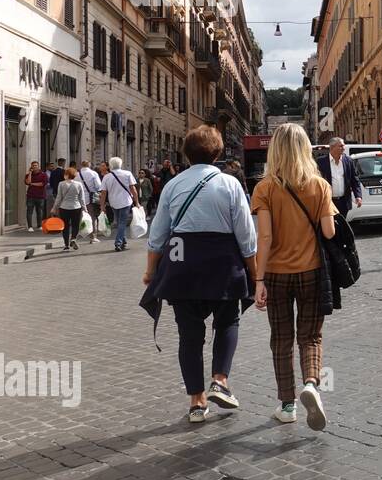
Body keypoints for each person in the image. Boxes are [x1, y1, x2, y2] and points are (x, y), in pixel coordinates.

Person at [142, 126, 259, 424]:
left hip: (183, 264)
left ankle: (197, 402)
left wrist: (150, 270)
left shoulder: (173, 185)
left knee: (189, 336)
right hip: (223, 263)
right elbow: (246, 236)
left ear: (186, 153)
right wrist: (255, 273)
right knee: (228, 320)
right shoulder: (230, 185)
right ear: (218, 153)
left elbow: (158, 234)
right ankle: (220, 379)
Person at [251, 124, 336, 431]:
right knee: (310, 336)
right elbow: (329, 232)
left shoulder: (265, 188)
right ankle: (311, 384)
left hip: (275, 273)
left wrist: (258, 281)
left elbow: (264, 236)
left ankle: (287, 405)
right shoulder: (319, 185)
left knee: (282, 339)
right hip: (312, 271)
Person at [316, 137, 363, 220]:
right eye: (340, 146)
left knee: (342, 226)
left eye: (343, 146)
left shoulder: (348, 161)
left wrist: (358, 196)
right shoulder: (321, 162)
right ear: (332, 147)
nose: (343, 148)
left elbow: (354, 180)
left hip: (344, 202)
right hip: (328, 201)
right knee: (331, 226)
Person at [101, 157, 140, 252]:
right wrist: (137, 202)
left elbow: (103, 193)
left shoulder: (107, 177)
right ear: (121, 164)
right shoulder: (127, 174)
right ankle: (118, 242)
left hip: (113, 202)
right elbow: (133, 189)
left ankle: (124, 242)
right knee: (122, 222)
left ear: (110, 166)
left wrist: (102, 206)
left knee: (119, 222)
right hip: (126, 201)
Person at [50, 166, 87, 251]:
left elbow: (59, 197)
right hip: (76, 207)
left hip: (64, 208)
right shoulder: (78, 184)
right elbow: (82, 198)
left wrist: (54, 208)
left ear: (66, 175)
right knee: (75, 225)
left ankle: (66, 245)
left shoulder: (61, 184)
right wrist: (85, 208)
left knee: (65, 226)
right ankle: (73, 238)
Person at [78, 161, 103, 243]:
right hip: (90, 198)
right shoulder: (93, 173)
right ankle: (93, 236)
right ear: (89, 165)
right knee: (92, 217)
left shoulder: (77, 174)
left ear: (81, 165)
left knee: (80, 217)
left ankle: (81, 233)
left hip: (79, 198)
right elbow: (99, 186)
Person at [24, 161, 49, 232]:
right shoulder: (28, 175)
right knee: (29, 211)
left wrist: (32, 184)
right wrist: (30, 173)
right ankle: (30, 227)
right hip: (30, 196)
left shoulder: (43, 175)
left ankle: (39, 225)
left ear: (38, 166)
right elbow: (27, 182)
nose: (34, 167)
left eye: (36, 165)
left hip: (40, 196)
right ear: (31, 167)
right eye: (33, 165)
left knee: (40, 211)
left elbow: (42, 184)